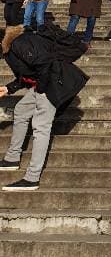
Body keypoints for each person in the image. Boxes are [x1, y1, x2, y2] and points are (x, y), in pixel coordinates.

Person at [0, 24, 88, 191]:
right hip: (45, 82)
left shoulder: (19, 43)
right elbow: (28, 74)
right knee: (21, 110)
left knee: (41, 127)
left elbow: (44, 63)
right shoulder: (13, 47)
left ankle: (32, 178)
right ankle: (12, 158)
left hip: (53, 83)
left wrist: (42, 91)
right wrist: (9, 88)